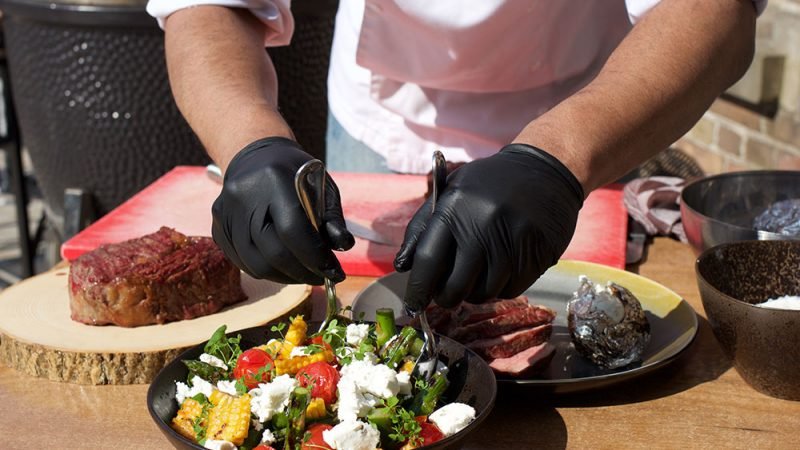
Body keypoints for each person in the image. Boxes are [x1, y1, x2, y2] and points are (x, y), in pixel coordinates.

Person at [146, 0, 764, 313]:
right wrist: (248, 142)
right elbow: (207, 6)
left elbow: (714, 12)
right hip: (382, 117)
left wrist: (556, 159)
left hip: (597, 110)